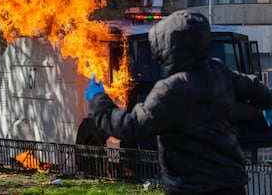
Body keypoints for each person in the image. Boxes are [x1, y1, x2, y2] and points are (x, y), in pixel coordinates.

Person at [84, 10, 272, 195]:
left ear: (168, 47)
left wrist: (99, 100)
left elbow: (131, 128)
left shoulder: (171, 89)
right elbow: (255, 88)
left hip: (190, 187)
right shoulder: (219, 72)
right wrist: (268, 104)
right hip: (230, 184)